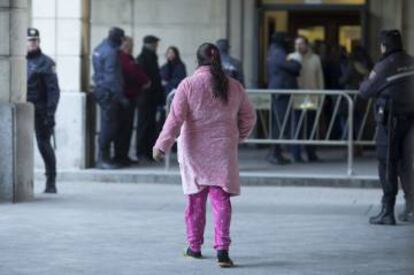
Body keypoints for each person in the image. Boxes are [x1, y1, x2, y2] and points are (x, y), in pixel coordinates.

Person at [152, 43, 256, 267]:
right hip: (223, 150)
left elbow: (175, 119)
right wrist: (238, 136)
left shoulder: (188, 84)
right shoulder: (234, 85)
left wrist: (161, 145)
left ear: (197, 61)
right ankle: (223, 251)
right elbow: (249, 117)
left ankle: (194, 247)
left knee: (195, 201)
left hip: (194, 151)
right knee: (221, 200)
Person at [359, 30, 414, 225]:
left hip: (390, 122)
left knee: (387, 163)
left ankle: (387, 211)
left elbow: (365, 91)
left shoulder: (384, 66)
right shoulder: (410, 60)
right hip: (410, 121)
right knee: (408, 164)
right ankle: (410, 208)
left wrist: (365, 79)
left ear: (384, 46)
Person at [26, 28, 60, 193]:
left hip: (40, 111)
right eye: (29, 40)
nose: (32, 43)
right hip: (22, 111)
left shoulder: (46, 62)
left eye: (35, 40)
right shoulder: (18, 60)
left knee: (44, 145)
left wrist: (50, 112)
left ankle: (51, 182)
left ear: (39, 42)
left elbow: (53, 90)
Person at [92, 27, 126, 169]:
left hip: (101, 90)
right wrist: (120, 97)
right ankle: (103, 159)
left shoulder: (99, 48)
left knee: (107, 124)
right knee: (109, 126)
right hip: (109, 93)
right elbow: (112, 78)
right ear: (118, 38)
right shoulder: (111, 52)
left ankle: (103, 157)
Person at [114, 36, 151, 166]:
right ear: (124, 45)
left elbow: (137, 71)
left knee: (128, 129)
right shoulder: (122, 58)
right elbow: (132, 74)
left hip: (132, 97)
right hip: (125, 98)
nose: (131, 47)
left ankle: (124, 155)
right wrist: (144, 82)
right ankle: (120, 156)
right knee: (122, 129)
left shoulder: (129, 58)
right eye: (130, 44)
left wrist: (145, 81)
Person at [266, 32, 301, 165]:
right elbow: (292, 67)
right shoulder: (277, 52)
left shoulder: (276, 51)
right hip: (280, 93)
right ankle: (274, 154)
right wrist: (296, 62)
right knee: (280, 124)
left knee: (280, 124)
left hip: (281, 92)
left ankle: (276, 153)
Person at [288, 36, 324, 162]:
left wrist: (321, 96)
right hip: (297, 97)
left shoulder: (315, 59)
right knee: (296, 126)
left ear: (307, 45)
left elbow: (320, 78)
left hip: (311, 97)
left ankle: (311, 153)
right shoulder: (291, 57)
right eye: (296, 43)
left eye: (301, 43)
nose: (298, 46)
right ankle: (296, 154)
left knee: (311, 127)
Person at [136, 35, 164, 161]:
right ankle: (142, 152)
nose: (157, 46)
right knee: (144, 125)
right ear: (151, 45)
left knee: (151, 125)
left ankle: (148, 151)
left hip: (151, 98)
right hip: (145, 98)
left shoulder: (151, 57)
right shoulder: (143, 58)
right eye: (156, 44)